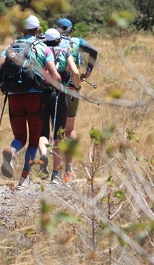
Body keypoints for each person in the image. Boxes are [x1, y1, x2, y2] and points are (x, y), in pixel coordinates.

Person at [0, 15, 61, 187]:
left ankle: (12, 151)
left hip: (14, 96)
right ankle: (23, 178)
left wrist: (3, 87)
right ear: (38, 30)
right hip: (35, 97)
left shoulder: (10, 47)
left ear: (23, 29)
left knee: (20, 137)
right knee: (34, 139)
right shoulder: (43, 48)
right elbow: (55, 75)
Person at [55, 18, 98, 183]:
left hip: (51, 88)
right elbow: (93, 50)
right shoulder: (77, 41)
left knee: (55, 129)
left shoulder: (47, 40)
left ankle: (53, 171)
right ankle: (69, 170)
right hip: (72, 87)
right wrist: (88, 70)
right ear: (71, 31)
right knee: (69, 129)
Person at [37, 28, 81, 184]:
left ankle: (43, 154)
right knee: (58, 135)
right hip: (59, 95)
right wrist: (77, 87)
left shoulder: (40, 50)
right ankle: (56, 175)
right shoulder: (65, 51)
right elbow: (75, 72)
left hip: (41, 94)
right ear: (58, 40)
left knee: (43, 132)